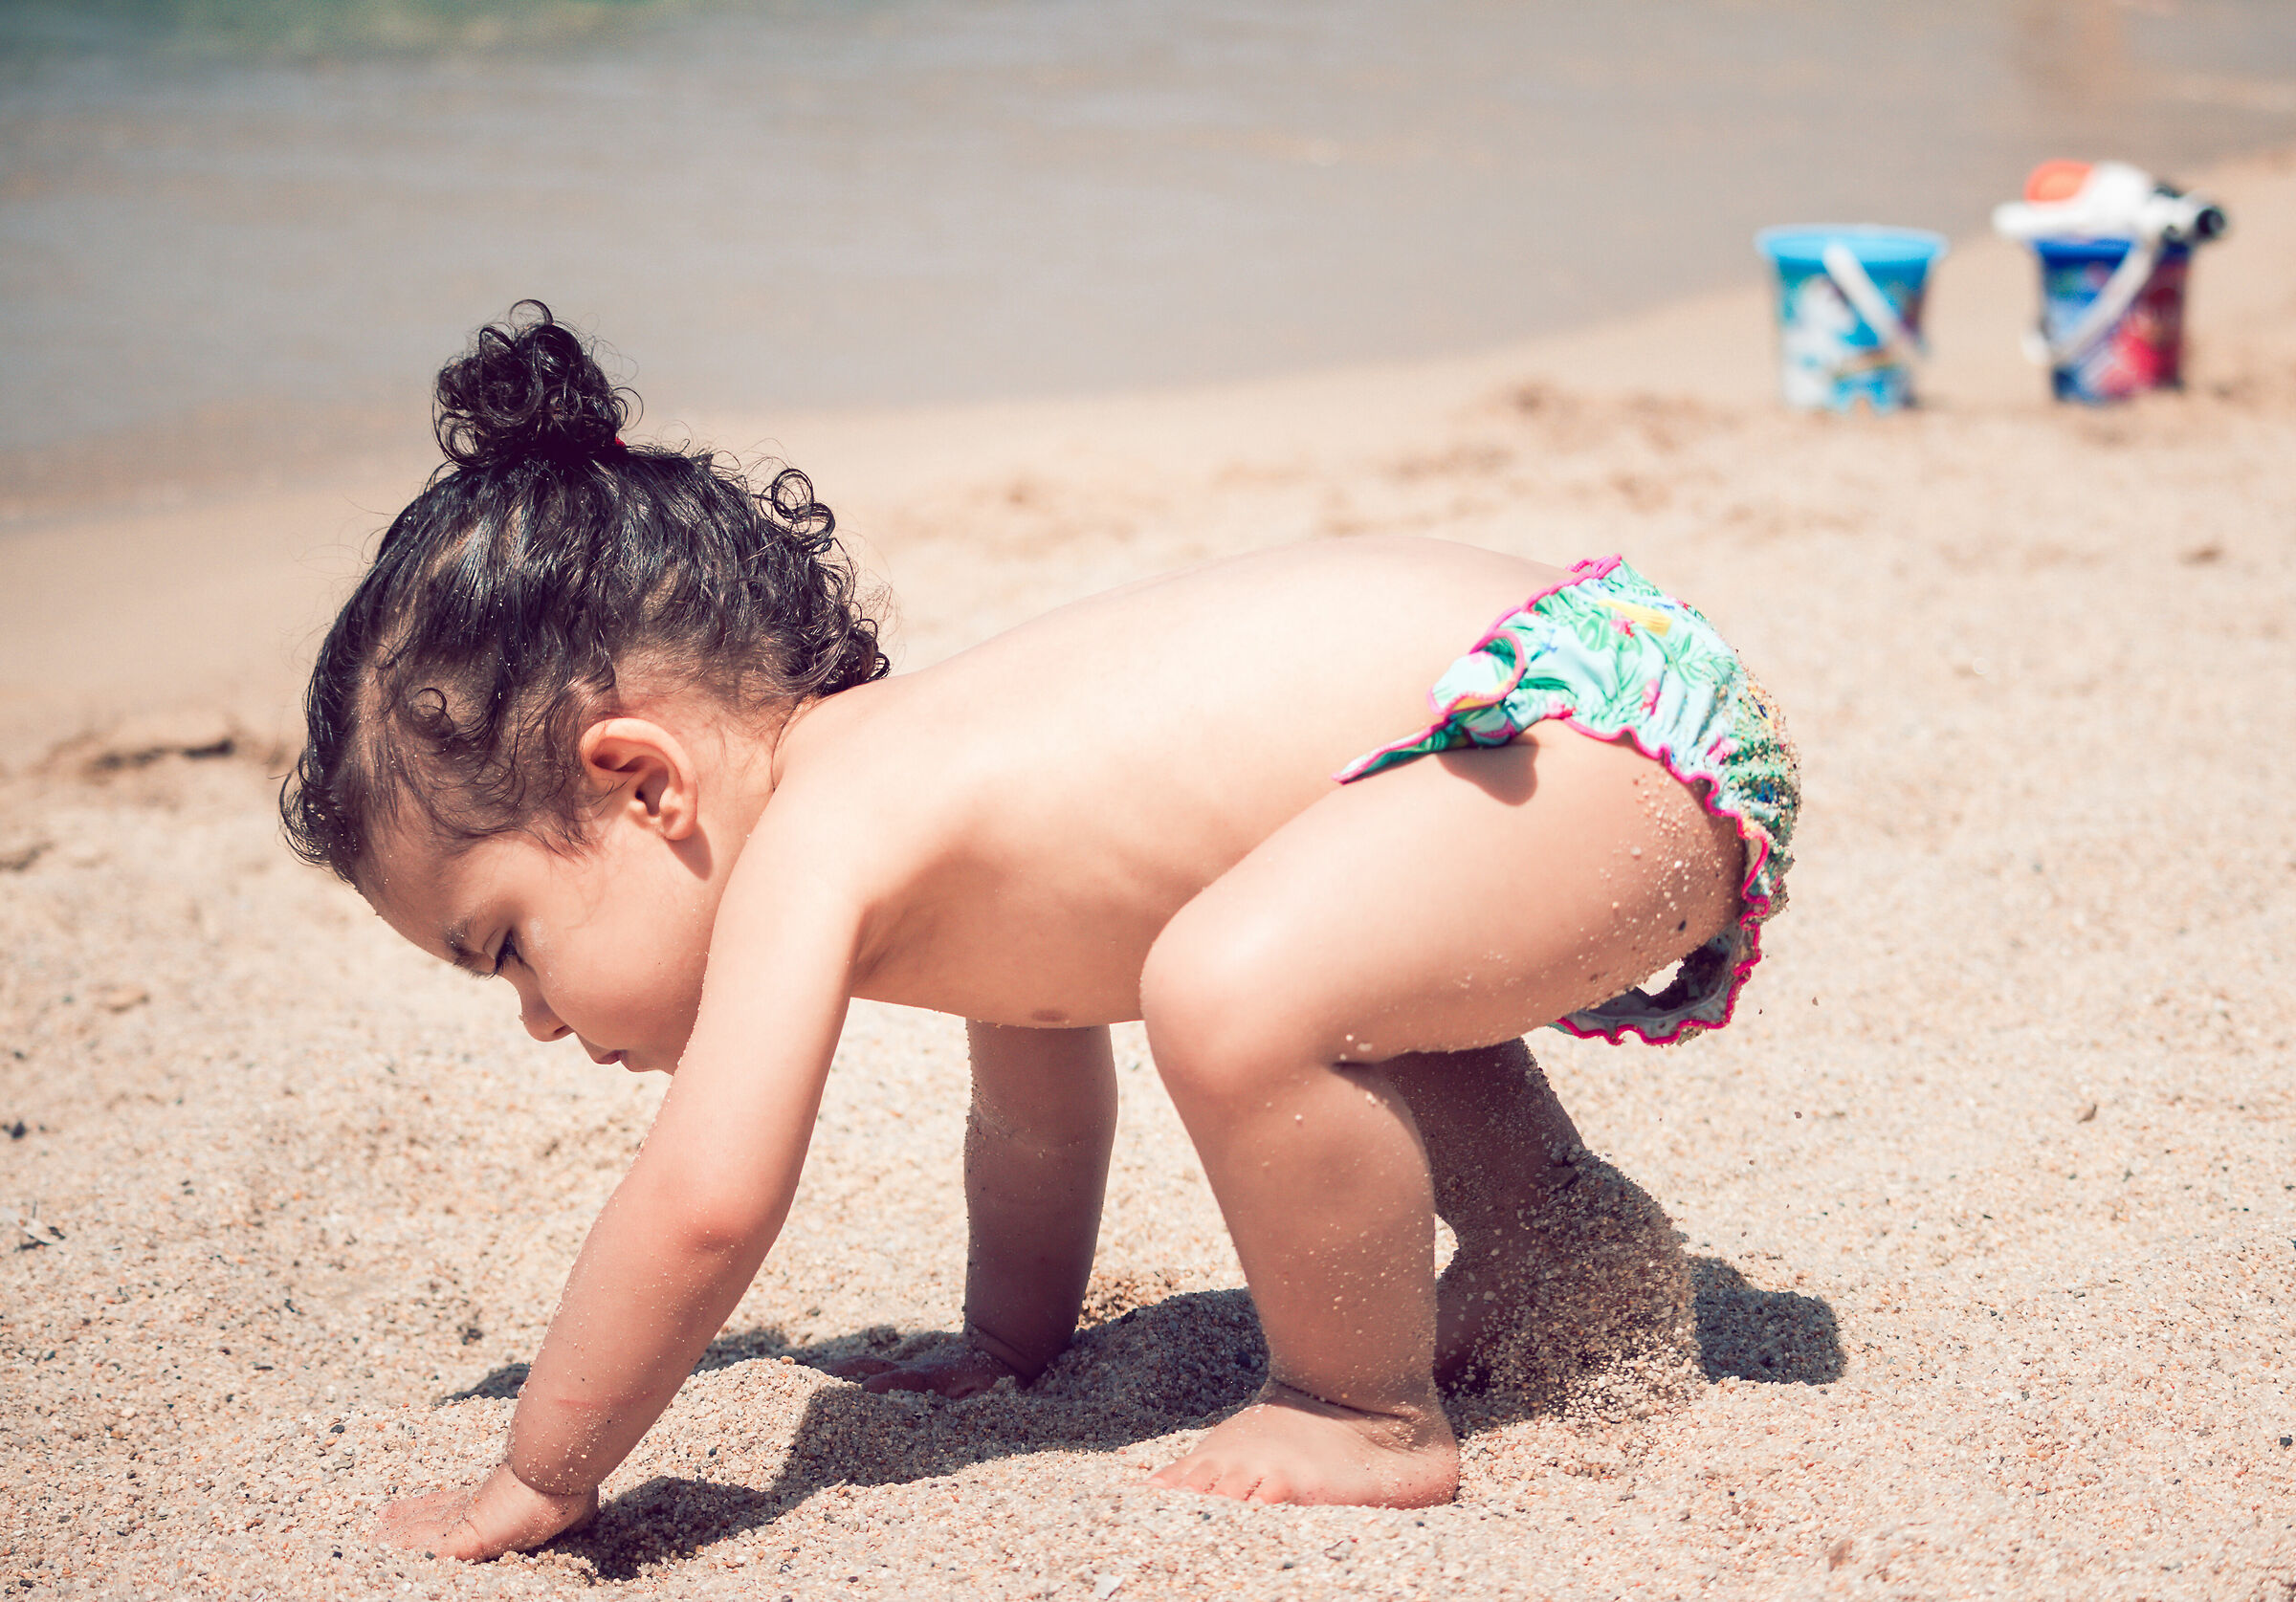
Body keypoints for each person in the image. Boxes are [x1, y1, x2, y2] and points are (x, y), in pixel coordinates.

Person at [284, 303, 1797, 1559]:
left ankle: (1362, 1411)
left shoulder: (825, 829)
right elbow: (1037, 1114)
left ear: (641, 783)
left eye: (507, 949)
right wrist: (1009, 1343)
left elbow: (705, 1196)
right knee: (1291, 948)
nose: (540, 1016)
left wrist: (540, 1475)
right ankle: (1554, 1245)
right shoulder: (927, 821)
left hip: (1579, 724)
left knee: (1231, 986)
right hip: (1595, 704)